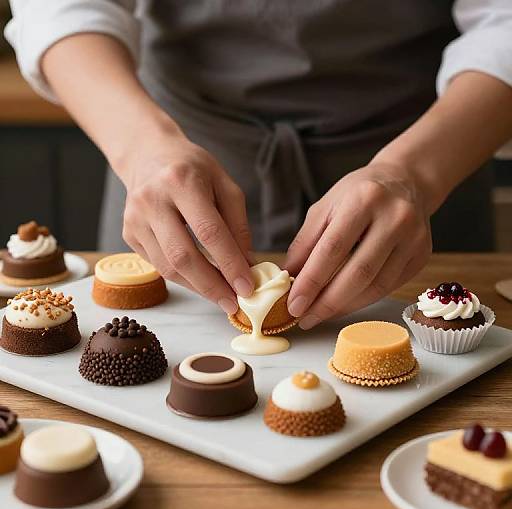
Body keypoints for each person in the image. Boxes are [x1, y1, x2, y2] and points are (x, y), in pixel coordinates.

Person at [6, 1, 512, 330]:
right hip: (169, 158)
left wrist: (417, 176)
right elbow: (62, 7)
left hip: (429, 155)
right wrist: (142, 149)